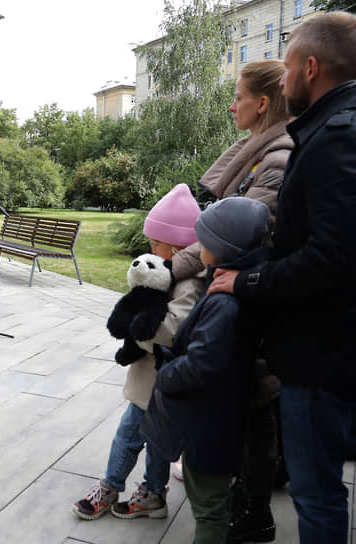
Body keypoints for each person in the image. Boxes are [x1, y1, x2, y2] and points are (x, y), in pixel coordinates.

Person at [208, 12, 356, 543]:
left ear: (310, 68)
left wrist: (245, 283)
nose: (284, 73)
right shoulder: (329, 129)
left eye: (289, 62)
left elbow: (332, 256)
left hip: (323, 351)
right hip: (326, 344)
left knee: (316, 493)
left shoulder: (336, 136)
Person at [170, 59, 293, 544]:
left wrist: (168, 270)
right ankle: (245, 498)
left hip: (252, 305)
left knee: (256, 405)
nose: (231, 105)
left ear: (262, 104)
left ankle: (252, 511)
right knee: (252, 407)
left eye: (238, 97)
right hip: (246, 298)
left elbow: (231, 238)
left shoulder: (276, 161)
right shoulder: (264, 155)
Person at [143, 197, 271, 543]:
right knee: (211, 499)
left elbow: (203, 363)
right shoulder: (229, 285)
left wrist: (166, 376)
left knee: (209, 505)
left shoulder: (225, 302)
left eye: (205, 239)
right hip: (217, 419)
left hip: (208, 423)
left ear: (220, 247)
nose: (198, 245)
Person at [73, 184, 203, 521]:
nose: (150, 249)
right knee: (157, 440)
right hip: (153, 381)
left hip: (162, 381)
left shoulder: (188, 282)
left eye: (155, 243)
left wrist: (136, 329)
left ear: (176, 246)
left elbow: (173, 331)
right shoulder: (170, 274)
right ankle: (153, 493)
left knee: (129, 435)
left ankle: (111, 484)